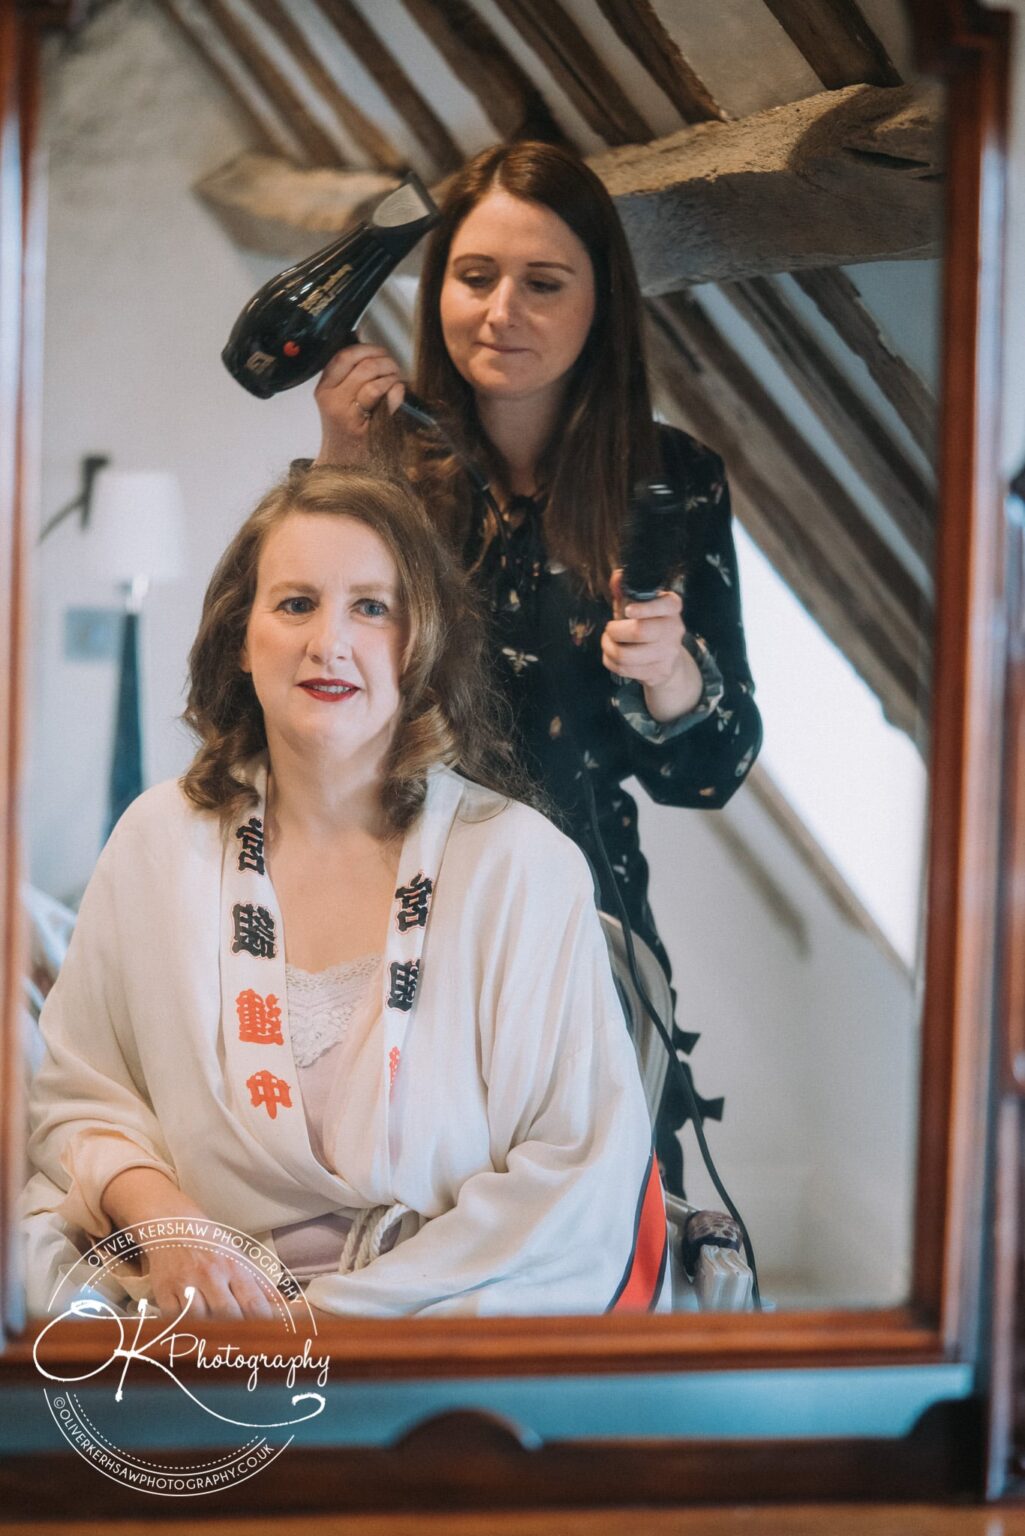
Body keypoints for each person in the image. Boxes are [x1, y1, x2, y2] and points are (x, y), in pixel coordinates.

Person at [23, 465, 666, 1320]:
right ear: (240, 638)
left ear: (420, 642)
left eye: (370, 607)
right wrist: (168, 1224)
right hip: (200, 1321)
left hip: (439, 1328)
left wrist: (323, 1331)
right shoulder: (157, 842)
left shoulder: (519, 866)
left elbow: (575, 1175)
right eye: (295, 604)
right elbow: (78, 1098)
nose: (329, 642)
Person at [309, 141, 763, 1195]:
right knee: (384, 1224)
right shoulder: (381, 463)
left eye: (543, 283)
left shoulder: (670, 480)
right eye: (474, 277)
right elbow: (295, 699)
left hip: (584, 929)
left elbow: (709, 773)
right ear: (438, 290)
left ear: (599, 302)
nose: (500, 311)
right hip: (377, 923)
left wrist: (669, 673)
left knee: (597, 1229)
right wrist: (338, 472)